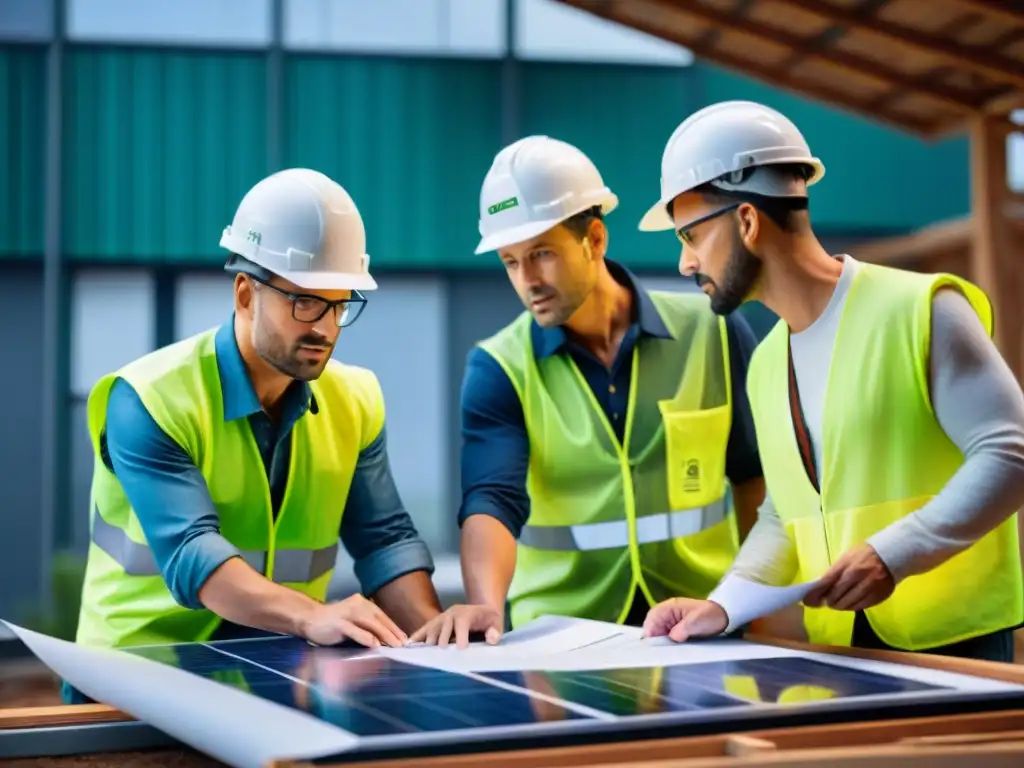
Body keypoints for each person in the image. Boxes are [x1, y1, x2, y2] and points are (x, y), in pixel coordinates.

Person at [639, 100, 1024, 662]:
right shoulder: (768, 362)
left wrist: (895, 552)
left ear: (746, 221)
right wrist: (725, 604)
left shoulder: (919, 309)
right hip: (845, 652)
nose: (685, 263)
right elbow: (784, 514)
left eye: (690, 236)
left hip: (958, 647)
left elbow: (1009, 452)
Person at [68, 169, 442, 698]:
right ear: (245, 293)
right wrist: (315, 617)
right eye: (305, 301)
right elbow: (194, 555)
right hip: (133, 683)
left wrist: (436, 633)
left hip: (267, 676)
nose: (325, 328)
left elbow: (384, 541)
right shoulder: (149, 399)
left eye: (340, 304)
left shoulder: (355, 400)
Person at [411, 135, 766, 647]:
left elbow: (754, 479)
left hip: (700, 626)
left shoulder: (713, 329)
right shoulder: (498, 366)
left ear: (594, 240)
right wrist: (486, 604)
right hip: (558, 643)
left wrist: (752, 602)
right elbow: (492, 498)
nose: (527, 279)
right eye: (511, 262)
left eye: (541, 254)